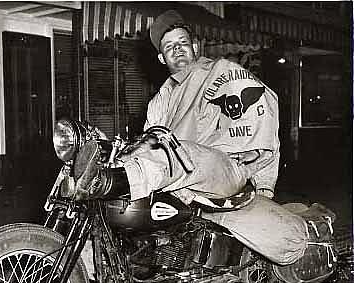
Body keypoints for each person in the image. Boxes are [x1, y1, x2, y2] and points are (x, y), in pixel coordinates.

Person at [73, 10, 279, 209]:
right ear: (162, 58)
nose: (178, 49)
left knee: (180, 153)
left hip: (223, 168)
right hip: (181, 176)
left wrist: (263, 179)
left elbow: (262, 104)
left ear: (195, 48)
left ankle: (101, 184)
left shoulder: (221, 72)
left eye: (183, 43)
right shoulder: (160, 101)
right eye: (170, 46)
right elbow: (151, 144)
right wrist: (120, 157)